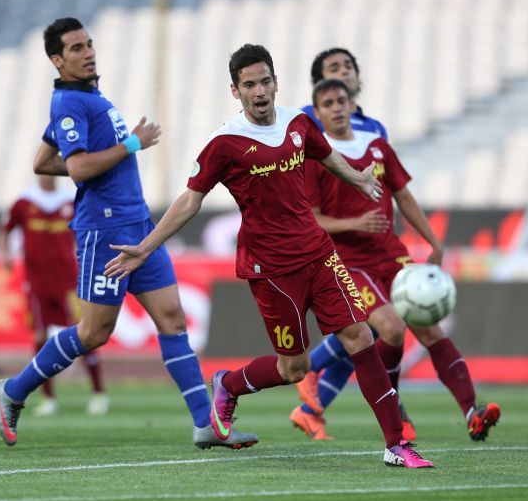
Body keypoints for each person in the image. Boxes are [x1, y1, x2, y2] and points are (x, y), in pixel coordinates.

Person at [104, 44, 434, 468]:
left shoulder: (299, 123)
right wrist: (146, 247)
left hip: (320, 254)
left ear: (276, 82)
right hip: (272, 269)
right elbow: (189, 201)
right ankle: (229, 384)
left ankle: (395, 444)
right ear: (235, 91)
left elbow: (326, 155)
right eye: (249, 85)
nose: (259, 91)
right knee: (294, 368)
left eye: (264, 81)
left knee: (361, 337)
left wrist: (357, 178)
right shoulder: (224, 143)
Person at [0, 17, 257, 451]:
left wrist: (103, 158)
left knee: (172, 319)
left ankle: (205, 423)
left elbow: (43, 161)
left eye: (89, 44)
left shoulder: (87, 97)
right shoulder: (70, 103)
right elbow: (78, 167)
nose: (88, 52)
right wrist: (131, 145)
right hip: (105, 230)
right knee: (94, 333)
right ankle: (14, 390)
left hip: (138, 226)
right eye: (76, 48)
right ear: (57, 60)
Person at [290, 78, 501, 443]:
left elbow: (403, 196)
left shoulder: (377, 146)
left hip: (391, 255)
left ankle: (472, 411)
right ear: (318, 113)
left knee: (430, 328)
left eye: (341, 100)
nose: (337, 108)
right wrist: (354, 223)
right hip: (347, 263)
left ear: (353, 104)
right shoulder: (316, 158)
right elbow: (310, 218)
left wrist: (433, 241)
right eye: (328, 103)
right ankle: (391, 410)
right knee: (391, 329)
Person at [297, 47, 417, 439]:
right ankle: (313, 372)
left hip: (377, 249)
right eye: (333, 69)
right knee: (370, 329)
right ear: (318, 87)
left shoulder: (374, 128)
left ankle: (309, 410)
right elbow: (308, 199)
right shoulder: (307, 128)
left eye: (348, 66)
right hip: (334, 249)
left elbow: (387, 184)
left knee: (368, 334)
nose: (343, 73)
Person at [0, 174, 108, 416]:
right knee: (40, 337)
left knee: (86, 334)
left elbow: (92, 226)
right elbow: (6, 230)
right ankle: (48, 398)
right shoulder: (24, 202)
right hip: (36, 284)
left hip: (69, 282)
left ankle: (98, 393)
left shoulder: (69, 200)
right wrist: (5, 254)